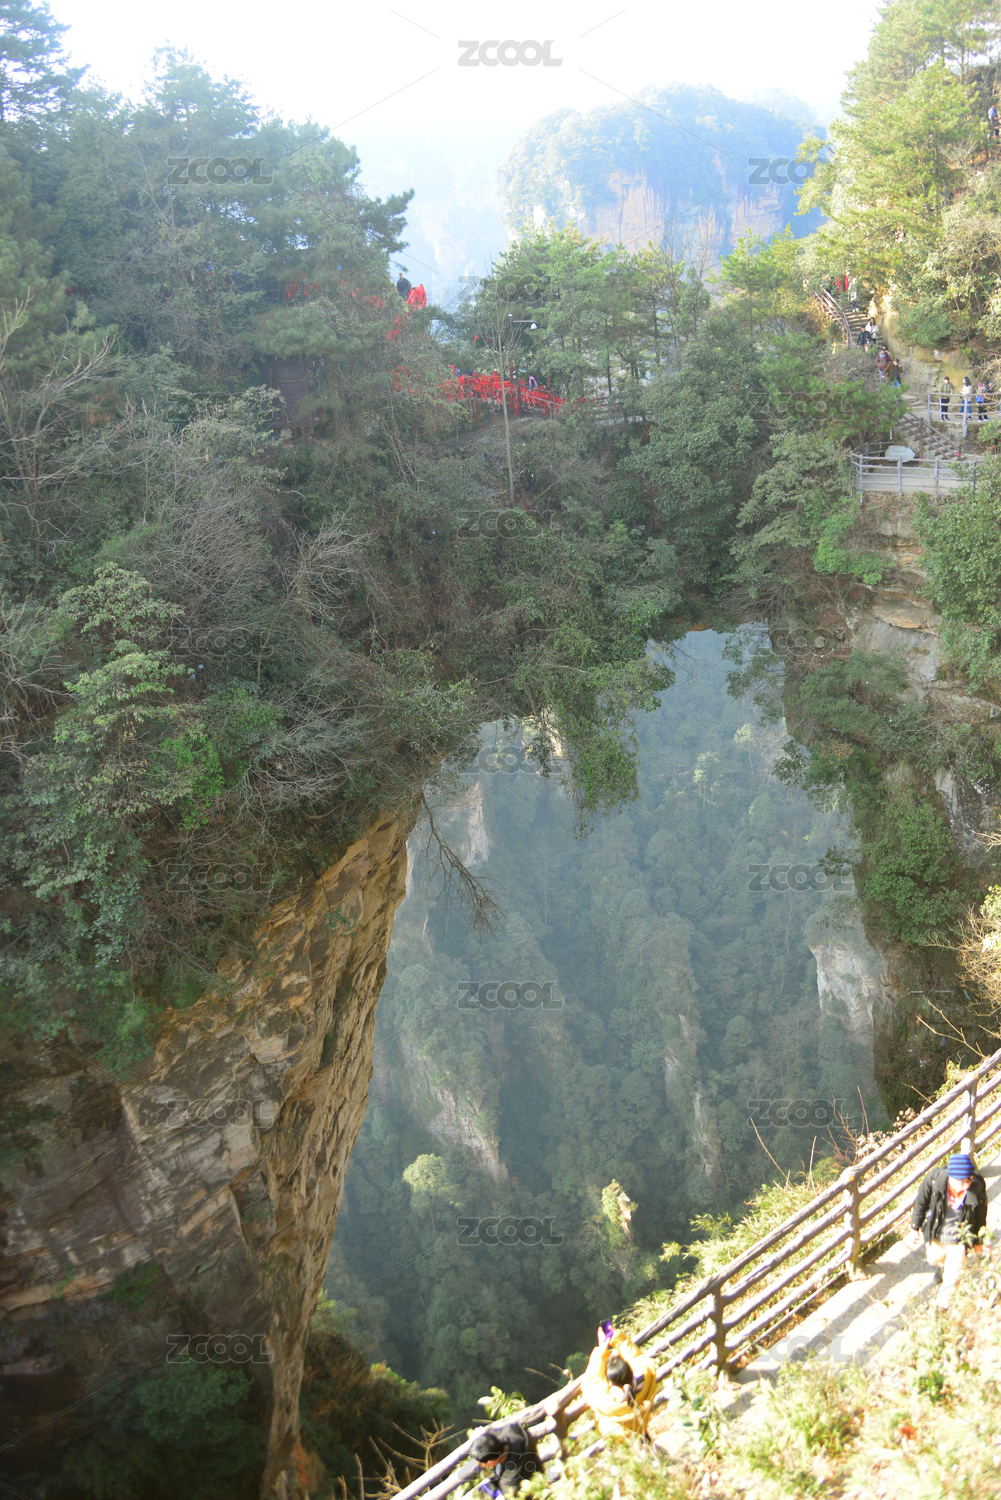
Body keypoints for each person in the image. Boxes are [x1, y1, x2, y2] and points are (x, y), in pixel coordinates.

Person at [907, 1152, 988, 1309]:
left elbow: (981, 1216)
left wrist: (979, 1241)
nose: (966, 1185)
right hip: (938, 1230)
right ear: (950, 1177)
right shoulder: (935, 1179)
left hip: (960, 1235)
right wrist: (914, 1227)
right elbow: (921, 1202)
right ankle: (943, 1268)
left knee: (954, 1273)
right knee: (933, 1259)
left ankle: (942, 1305)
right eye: (961, 1182)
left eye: (969, 1180)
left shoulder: (977, 1187)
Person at [580, 1322, 658, 1440]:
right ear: (630, 1369)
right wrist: (618, 1338)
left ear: (610, 1383)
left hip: (618, 1438)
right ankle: (645, 1440)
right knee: (640, 1433)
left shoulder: (606, 1402)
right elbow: (636, 1357)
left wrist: (602, 1349)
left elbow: (589, 1383)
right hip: (641, 1422)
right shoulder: (646, 1375)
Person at [469, 1422, 542, 1498]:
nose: (482, 1465)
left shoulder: (509, 1481)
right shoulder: (512, 1430)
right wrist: (483, 1436)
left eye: (483, 1463)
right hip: (534, 1463)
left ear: (492, 1461)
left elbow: (510, 1495)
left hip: (531, 1487)